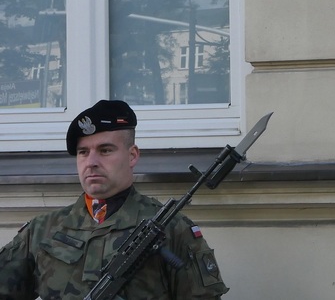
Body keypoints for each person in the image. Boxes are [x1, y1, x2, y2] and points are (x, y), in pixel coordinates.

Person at [0, 99, 229, 299]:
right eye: (83, 152)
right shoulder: (42, 230)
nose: (91, 162)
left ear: (132, 155)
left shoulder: (172, 229)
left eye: (105, 150)